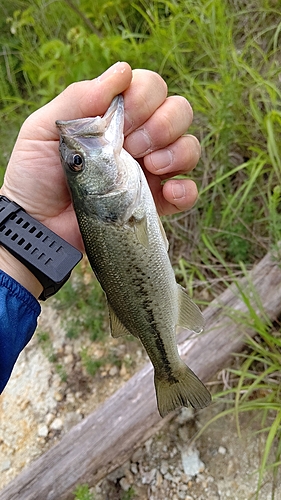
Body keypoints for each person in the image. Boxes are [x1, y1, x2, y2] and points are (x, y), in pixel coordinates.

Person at [0, 61, 201, 393]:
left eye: (76, 162)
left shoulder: (117, 197)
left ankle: (168, 368)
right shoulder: (115, 201)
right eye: (78, 163)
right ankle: (169, 370)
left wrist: (17, 246)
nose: (76, 146)